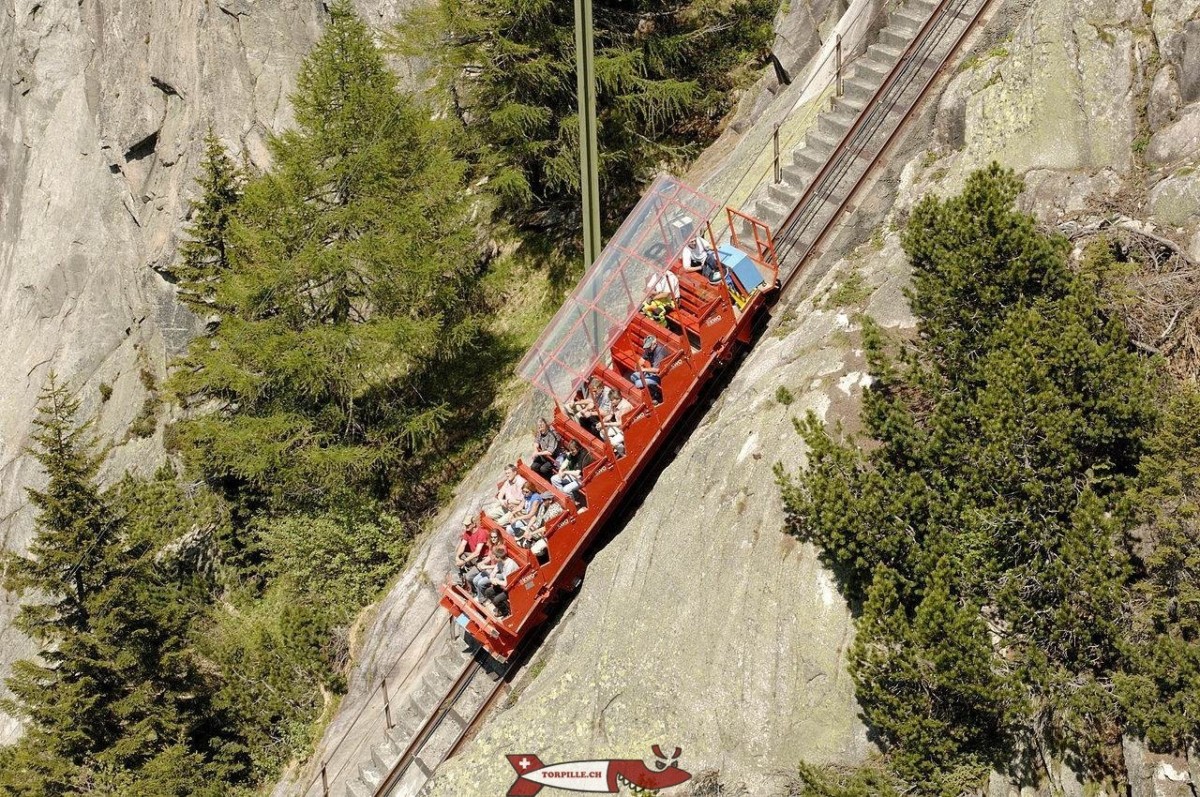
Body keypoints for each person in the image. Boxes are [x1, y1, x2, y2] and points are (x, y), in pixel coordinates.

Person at [481, 545, 521, 617]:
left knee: (497, 600)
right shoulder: (500, 562)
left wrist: (497, 581)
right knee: (488, 592)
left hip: (514, 587)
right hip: (506, 585)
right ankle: (503, 609)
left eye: (495, 557)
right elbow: (493, 572)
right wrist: (492, 578)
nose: (493, 558)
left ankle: (506, 612)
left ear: (499, 557)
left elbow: (506, 583)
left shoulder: (509, 565)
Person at [630, 334, 667, 404]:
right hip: (653, 373)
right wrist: (638, 366)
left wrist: (643, 370)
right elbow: (640, 361)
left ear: (655, 344)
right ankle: (653, 392)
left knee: (638, 383)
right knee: (633, 376)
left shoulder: (660, 351)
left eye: (649, 347)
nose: (647, 349)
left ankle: (653, 397)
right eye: (647, 347)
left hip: (662, 375)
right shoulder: (649, 350)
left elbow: (657, 370)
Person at [470, 529, 504, 600]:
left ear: (499, 537)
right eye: (491, 537)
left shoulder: (501, 548)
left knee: (480, 583)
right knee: (475, 580)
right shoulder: (492, 546)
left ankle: (484, 599)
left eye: (495, 537)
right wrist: (482, 563)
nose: (493, 539)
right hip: (491, 570)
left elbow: (500, 565)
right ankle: (482, 597)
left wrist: (486, 566)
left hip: (499, 572)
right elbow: (489, 557)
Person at [454, 516, 488, 585]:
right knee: (453, 555)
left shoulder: (481, 533)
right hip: (475, 557)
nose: (466, 526)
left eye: (468, 524)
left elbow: (477, 552)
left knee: (468, 577)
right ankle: (458, 578)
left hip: (483, 558)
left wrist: (464, 561)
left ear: (474, 524)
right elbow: (462, 545)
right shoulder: (467, 532)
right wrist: (457, 557)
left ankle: (473, 590)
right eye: (465, 524)